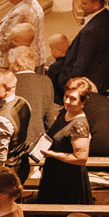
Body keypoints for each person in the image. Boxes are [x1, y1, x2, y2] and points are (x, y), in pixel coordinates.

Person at [59, 0, 109, 95]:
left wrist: (72, 83)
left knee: (56, 76)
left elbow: (82, 62)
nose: (80, 6)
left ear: (96, 5)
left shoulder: (90, 32)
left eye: (84, 3)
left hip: (90, 80)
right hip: (107, 77)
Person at [36, 77, 92, 205]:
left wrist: (53, 154)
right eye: (66, 96)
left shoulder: (79, 125)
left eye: (73, 99)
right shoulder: (65, 112)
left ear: (83, 101)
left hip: (69, 179)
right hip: (55, 173)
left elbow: (81, 159)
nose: (67, 101)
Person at [0, 0, 46, 69]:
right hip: (37, 55)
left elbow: (10, 38)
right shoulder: (33, 1)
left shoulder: (20, 12)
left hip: (21, 60)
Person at [0, 68, 31, 177]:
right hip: (22, 164)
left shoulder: (0, 119)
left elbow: (1, 158)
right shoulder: (23, 102)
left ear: (9, 89)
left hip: (8, 172)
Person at [9, 47, 58, 146]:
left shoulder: (9, 81)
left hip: (12, 141)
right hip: (37, 140)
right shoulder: (46, 81)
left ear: (15, 64)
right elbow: (49, 118)